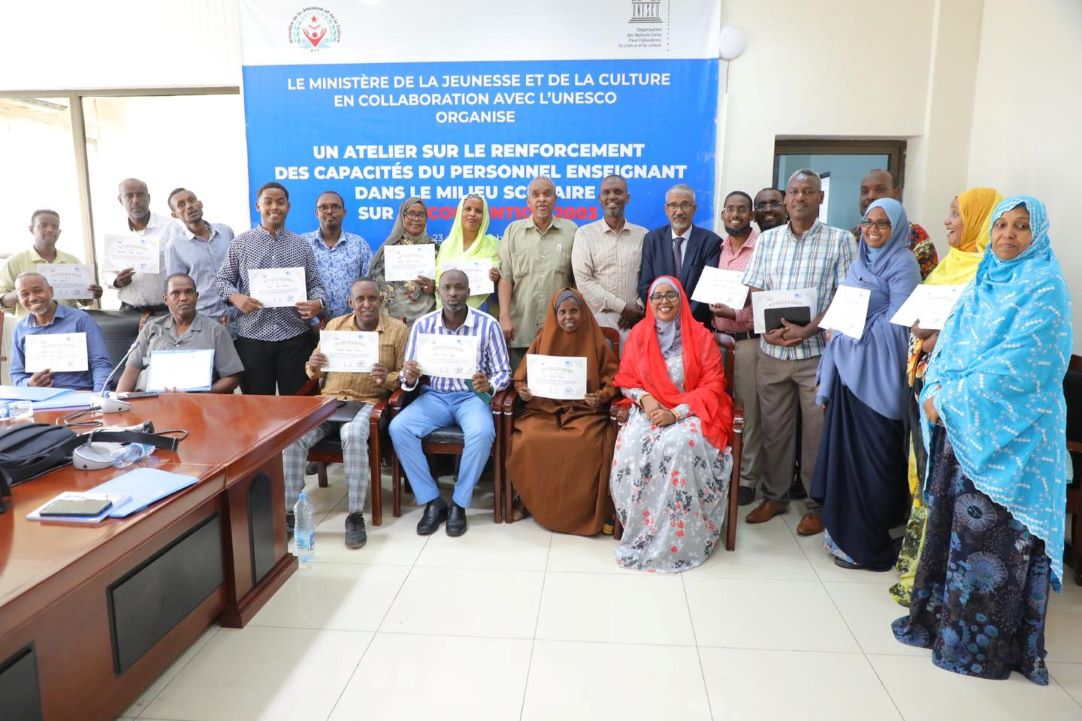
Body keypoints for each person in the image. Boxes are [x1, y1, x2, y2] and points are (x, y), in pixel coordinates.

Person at [892, 196, 1073, 685]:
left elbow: (1023, 367)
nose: (1008, 236)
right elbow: (951, 342)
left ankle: (981, 651)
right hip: (962, 428)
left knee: (992, 550)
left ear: (1038, 234)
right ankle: (938, 626)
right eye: (1000, 227)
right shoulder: (983, 281)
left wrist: (949, 398)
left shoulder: (1045, 288)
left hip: (1013, 439)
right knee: (954, 536)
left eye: (1020, 227)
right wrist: (938, 388)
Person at [889, 187, 1002, 606]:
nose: (948, 221)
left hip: (957, 397)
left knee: (943, 476)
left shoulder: (989, 272)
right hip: (923, 381)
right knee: (921, 471)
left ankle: (935, 578)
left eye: (956, 214)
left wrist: (940, 338)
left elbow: (978, 333)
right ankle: (916, 570)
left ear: (977, 219)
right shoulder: (950, 265)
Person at [742, 169, 855, 535]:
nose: (800, 198)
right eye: (793, 192)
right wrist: (767, 330)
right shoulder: (768, 240)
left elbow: (844, 297)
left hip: (816, 354)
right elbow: (757, 290)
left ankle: (816, 503)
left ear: (820, 198)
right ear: (786, 198)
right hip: (772, 353)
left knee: (816, 432)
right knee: (774, 429)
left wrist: (809, 328)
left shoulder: (839, 241)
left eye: (808, 192)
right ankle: (774, 496)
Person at [810, 199, 921, 570]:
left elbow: (900, 323)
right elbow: (845, 308)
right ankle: (843, 537)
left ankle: (868, 542)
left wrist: (843, 335)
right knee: (846, 458)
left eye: (882, 224)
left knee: (875, 460)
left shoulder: (903, 263)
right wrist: (838, 329)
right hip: (848, 372)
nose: (872, 230)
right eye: (868, 222)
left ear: (897, 229)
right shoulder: (860, 262)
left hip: (878, 376)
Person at [610, 276, 733, 572]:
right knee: (631, 447)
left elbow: (713, 384)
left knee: (677, 445)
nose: (664, 302)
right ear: (649, 303)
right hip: (649, 408)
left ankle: (678, 539)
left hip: (691, 410)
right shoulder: (639, 334)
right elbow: (627, 380)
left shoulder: (701, 337)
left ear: (681, 300)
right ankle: (642, 531)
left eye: (671, 295)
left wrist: (676, 413)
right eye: (657, 297)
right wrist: (648, 401)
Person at [282, 278, 408, 549]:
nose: (366, 305)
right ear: (350, 302)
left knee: (352, 432)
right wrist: (313, 365)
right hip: (329, 401)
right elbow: (313, 372)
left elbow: (404, 380)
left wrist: (386, 378)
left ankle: (354, 515)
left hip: (369, 402)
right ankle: (289, 513)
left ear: (381, 300)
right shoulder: (335, 327)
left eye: (372, 298)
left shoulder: (397, 330)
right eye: (360, 299)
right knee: (292, 437)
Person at [389, 269, 511, 537]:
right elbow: (408, 376)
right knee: (399, 428)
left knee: (482, 433)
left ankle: (458, 503)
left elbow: (504, 372)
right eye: (447, 288)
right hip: (434, 396)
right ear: (439, 291)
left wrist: (489, 385)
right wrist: (408, 377)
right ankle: (432, 501)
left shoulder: (488, 324)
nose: (453, 293)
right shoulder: (423, 325)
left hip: (471, 397)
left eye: (459, 288)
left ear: (469, 292)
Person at [506, 288, 619, 535]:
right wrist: (523, 389)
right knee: (529, 439)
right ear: (554, 315)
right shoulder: (542, 338)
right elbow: (520, 378)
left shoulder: (597, 340)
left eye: (574, 311)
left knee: (587, 443)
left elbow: (613, 380)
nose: (569, 317)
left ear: (583, 312)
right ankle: (528, 502)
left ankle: (586, 512)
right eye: (563, 312)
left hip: (584, 413)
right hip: (543, 410)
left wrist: (600, 396)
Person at [215, 181, 326, 395]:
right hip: (252, 337)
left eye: (280, 202)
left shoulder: (301, 245)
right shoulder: (241, 243)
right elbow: (221, 281)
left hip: (294, 336)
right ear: (258, 206)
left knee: (297, 404)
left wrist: (317, 304)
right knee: (257, 406)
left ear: (289, 207)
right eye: (268, 202)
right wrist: (236, 297)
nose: (274, 207)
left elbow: (315, 285)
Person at [708, 190, 763, 506]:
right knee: (719, 408)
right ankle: (721, 472)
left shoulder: (763, 249)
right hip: (717, 341)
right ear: (723, 215)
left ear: (751, 214)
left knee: (747, 412)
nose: (736, 214)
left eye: (742, 209)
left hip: (746, 342)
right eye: (730, 209)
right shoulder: (719, 249)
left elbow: (766, 301)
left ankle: (745, 478)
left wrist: (736, 314)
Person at [115, 273, 244, 394]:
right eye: (175, 293)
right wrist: (118, 404)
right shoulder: (151, 328)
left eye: (188, 292)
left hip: (195, 405)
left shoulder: (216, 331)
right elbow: (131, 371)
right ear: (166, 299)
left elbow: (232, 378)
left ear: (197, 296)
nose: (183, 298)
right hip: (149, 401)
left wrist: (202, 395)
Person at [498, 176, 577, 367]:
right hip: (522, 328)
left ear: (555, 199)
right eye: (535, 195)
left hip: (560, 329)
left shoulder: (571, 230)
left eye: (547, 194)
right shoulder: (513, 231)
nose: (541, 199)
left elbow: (576, 281)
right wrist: (505, 316)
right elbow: (506, 278)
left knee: (557, 388)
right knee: (521, 389)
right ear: (528, 202)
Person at [571, 174, 648, 347]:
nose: (612, 196)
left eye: (618, 192)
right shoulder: (584, 234)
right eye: (606, 192)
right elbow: (584, 281)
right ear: (600, 199)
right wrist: (623, 307)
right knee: (601, 373)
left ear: (627, 198)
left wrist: (638, 308)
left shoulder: (643, 235)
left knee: (634, 373)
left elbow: (650, 276)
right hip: (599, 322)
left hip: (636, 322)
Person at [9, 272, 112, 391]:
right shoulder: (20, 329)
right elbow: (17, 373)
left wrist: (98, 396)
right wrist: (29, 384)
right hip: (39, 398)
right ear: (19, 299)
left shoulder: (81, 320)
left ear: (51, 291)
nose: (32, 298)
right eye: (24, 294)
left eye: (38, 290)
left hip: (80, 395)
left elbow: (100, 364)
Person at [637, 184, 722, 325]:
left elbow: (707, 290)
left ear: (694, 209)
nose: (679, 211)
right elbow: (646, 286)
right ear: (666, 209)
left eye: (685, 205)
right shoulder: (652, 240)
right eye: (673, 205)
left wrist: (685, 319)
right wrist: (665, 315)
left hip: (696, 325)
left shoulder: (710, 242)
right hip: (660, 324)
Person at [0, 209, 102, 316]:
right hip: (31, 328)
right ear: (31, 229)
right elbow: (2, 302)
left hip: (69, 325)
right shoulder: (15, 261)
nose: (50, 229)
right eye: (43, 225)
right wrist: (24, 292)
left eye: (55, 226)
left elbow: (84, 301)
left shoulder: (72, 261)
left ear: (59, 232)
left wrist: (93, 294)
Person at [164, 188, 235, 323]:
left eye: (191, 200)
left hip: (237, 313)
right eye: (181, 204)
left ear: (200, 204)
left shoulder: (225, 231)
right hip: (204, 318)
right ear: (174, 215)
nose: (189, 206)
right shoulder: (174, 246)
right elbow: (176, 291)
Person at [852, 169, 939, 280]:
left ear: (896, 193)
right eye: (865, 191)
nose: (870, 196)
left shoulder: (916, 236)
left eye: (879, 190)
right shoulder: (852, 236)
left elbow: (926, 287)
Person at [302, 190, 372, 320]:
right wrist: (314, 323)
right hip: (311, 327)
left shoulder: (359, 245)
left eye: (335, 206)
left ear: (344, 212)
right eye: (323, 207)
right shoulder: (302, 244)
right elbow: (297, 287)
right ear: (316, 213)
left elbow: (369, 286)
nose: (329, 211)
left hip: (352, 325)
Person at [369, 196, 437, 325]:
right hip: (394, 321)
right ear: (402, 217)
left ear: (426, 219)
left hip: (427, 321)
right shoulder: (390, 248)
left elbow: (446, 283)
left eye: (421, 214)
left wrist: (434, 287)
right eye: (411, 213)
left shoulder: (436, 249)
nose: (416, 219)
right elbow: (376, 283)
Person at [110, 178, 174, 313]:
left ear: (148, 198)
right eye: (129, 195)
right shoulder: (114, 232)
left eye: (140, 195)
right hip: (128, 311)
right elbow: (106, 270)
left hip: (165, 310)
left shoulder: (171, 228)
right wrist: (116, 281)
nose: (135, 200)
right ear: (120, 200)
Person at [434, 193, 501, 313]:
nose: (472, 214)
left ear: (484, 216)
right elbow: (438, 280)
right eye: (468, 209)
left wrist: (497, 276)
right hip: (448, 313)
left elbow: (506, 279)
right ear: (460, 212)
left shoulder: (493, 245)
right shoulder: (447, 245)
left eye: (478, 211)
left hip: (482, 312)